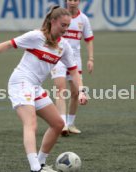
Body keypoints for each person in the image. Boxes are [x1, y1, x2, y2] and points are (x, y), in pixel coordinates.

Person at [0, 6, 87, 172]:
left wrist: (81, 91)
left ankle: (41, 163)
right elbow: (8, 44)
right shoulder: (36, 36)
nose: (65, 30)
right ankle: (35, 169)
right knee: (31, 123)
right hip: (20, 82)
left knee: (58, 123)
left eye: (68, 26)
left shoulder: (64, 46)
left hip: (34, 86)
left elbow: (74, 72)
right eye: (63, 25)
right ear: (52, 22)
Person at [51, 0, 94, 136]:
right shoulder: (59, 16)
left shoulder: (84, 19)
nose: (72, 2)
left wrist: (90, 59)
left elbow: (88, 39)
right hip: (58, 56)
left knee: (75, 93)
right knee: (60, 89)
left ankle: (71, 124)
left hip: (74, 58)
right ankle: (62, 124)